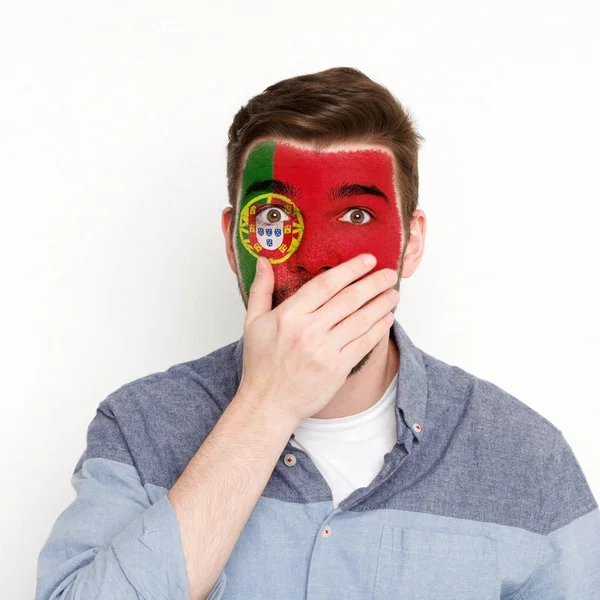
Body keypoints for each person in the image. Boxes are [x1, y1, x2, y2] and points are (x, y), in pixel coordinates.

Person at [36, 67, 599, 600]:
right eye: (275, 217)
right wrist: (268, 404)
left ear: (412, 242)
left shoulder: (525, 458)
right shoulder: (140, 428)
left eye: (356, 217)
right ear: (233, 239)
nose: (316, 261)